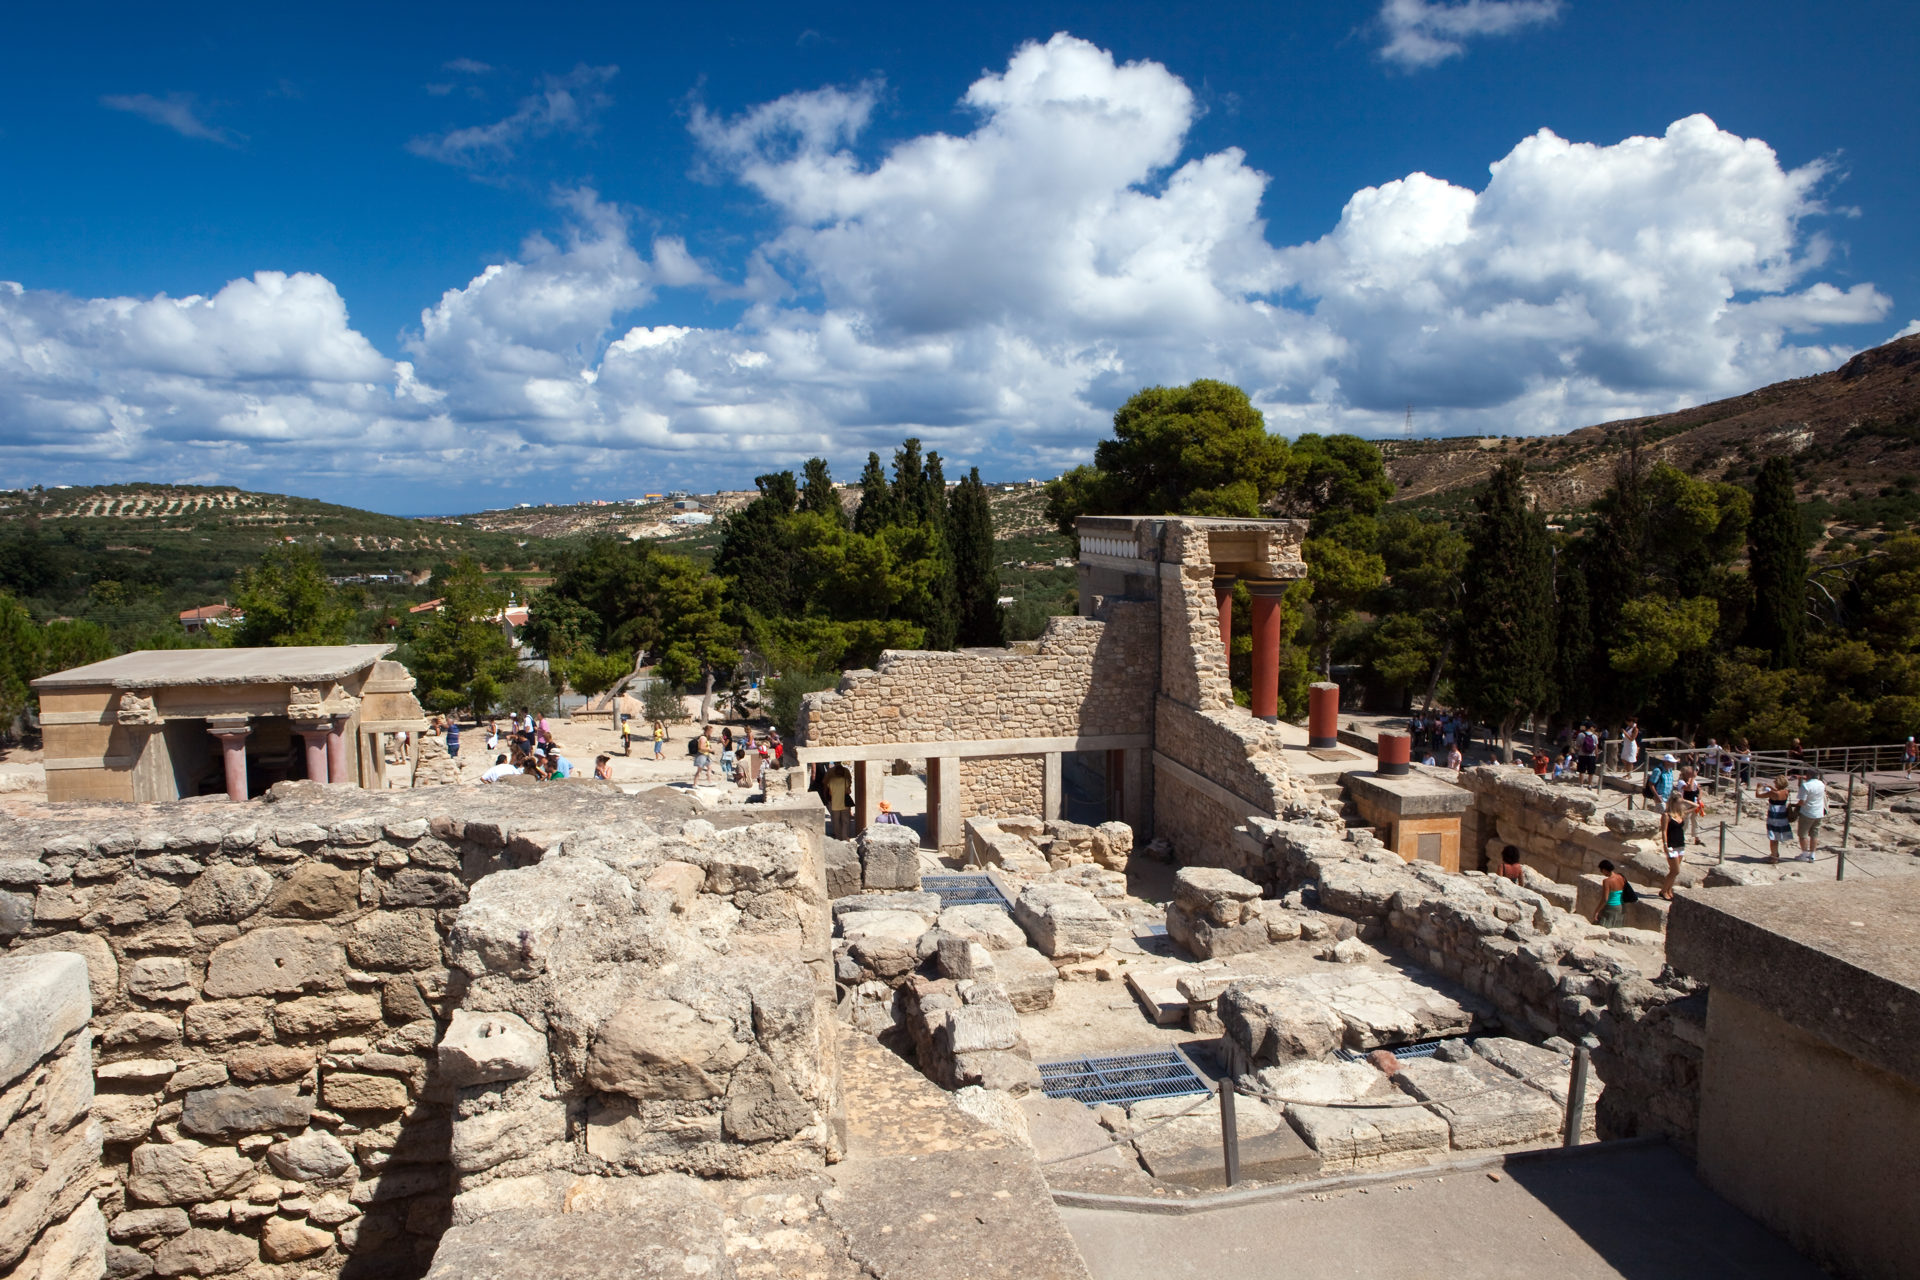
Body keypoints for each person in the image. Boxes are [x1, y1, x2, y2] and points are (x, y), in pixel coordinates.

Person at [1758, 773, 1792, 863]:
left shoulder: (1773, 793)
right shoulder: (1786, 792)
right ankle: (1775, 854)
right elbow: (1778, 791)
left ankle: (1774, 857)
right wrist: (1771, 787)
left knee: (1773, 838)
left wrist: (1758, 787)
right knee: (1777, 836)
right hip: (1782, 816)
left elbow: (1758, 795)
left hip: (1774, 816)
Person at [1661, 792, 1689, 900]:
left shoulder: (1680, 813)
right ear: (1674, 803)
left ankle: (1669, 890)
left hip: (1680, 844)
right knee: (1675, 870)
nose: (1681, 804)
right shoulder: (1666, 815)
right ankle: (1663, 890)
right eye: (1679, 802)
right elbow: (1664, 831)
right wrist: (1665, 845)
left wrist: (1685, 800)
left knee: (1674, 872)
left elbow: (1695, 806)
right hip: (1671, 845)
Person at [1795, 769, 1826, 860]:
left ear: (1808, 775)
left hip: (1807, 812)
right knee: (1814, 834)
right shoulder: (1821, 784)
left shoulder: (1805, 786)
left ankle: (1804, 854)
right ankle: (1812, 855)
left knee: (1803, 834)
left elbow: (1802, 802)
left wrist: (1795, 807)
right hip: (1819, 812)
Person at [824, 763, 854, 839]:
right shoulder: (845, 780)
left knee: (836, 822)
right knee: (845, 821)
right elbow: (848, 791)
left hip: (834, 804)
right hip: (844, 804)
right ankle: (845, 837)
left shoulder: (831, 781)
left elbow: (829, 792)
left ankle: (838, 837)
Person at [1595, 860, 1627, 928]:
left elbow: (1605, 899)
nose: (1602, 872)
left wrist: (1597, 911)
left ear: (1604, 869)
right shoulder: (1621, 877)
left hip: (1611, 908)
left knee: (1602, 927)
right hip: (1621, 907)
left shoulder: (1607, 881)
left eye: (1601, 870)